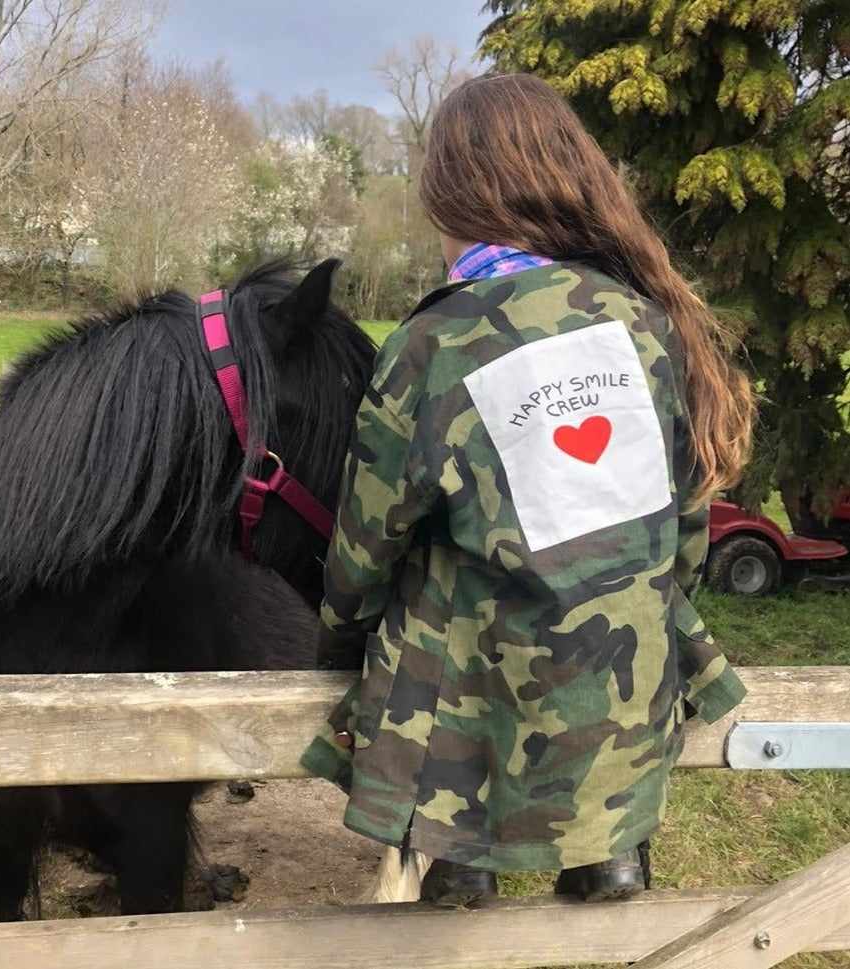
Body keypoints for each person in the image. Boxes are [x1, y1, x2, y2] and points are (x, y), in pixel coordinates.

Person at [300, 73, 755, 907]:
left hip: (475, 706)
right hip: (630, 693)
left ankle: (457, 857)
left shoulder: (432, 343)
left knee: (436, 585)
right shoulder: (644, 322)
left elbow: (365, 546)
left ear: (452, 201)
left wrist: (338, 636)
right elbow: (683, 526)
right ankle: (608, 850)